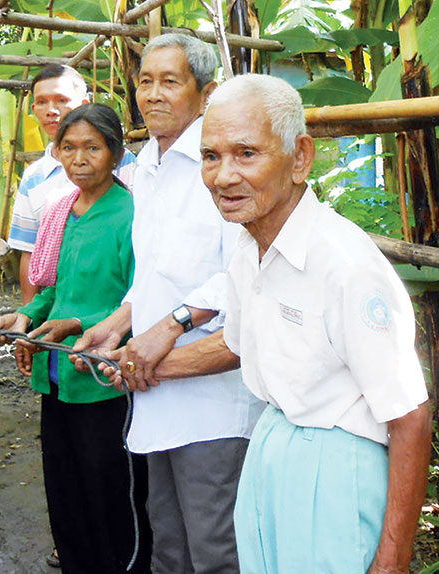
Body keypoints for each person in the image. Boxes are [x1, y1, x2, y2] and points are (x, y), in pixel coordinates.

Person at [106, 74, 432, 574]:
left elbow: (409, 416)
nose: (223, 176)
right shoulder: (249, 249)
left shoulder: (344, 265)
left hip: (336, 470)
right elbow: (239, 345)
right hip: (271, 454)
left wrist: (392, 560)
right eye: (211, 156)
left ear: (300, 157)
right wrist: (142, 366)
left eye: (246, 154)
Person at [71, 34, 264, 574]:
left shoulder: (223, 166)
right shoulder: (147, 169)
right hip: (156, 394)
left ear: (205, 94)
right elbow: (155, 277)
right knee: (168, 544)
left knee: (216, 550)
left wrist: (174, 325)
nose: (151, 95)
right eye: (145, 81)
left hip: (214, 404)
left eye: (169, 82)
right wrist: (113, 328)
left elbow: (246, 275)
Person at [0, 104, 151, 574]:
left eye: (93, 148)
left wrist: (76, 324)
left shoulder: (132, 215)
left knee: (111, 493)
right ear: (57, 152)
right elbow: (55, 289)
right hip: (57, 376)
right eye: (69, 147)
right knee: (65, 488)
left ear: (117, 154)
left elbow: (139, 300)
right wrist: (24, 315)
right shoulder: (63, 212)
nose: (79, 158)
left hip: (102, 378)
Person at [8, 65, 137, 305]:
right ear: (33, 108)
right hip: (56, 306)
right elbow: (30, 252)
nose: (51, 111)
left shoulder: (130, 172)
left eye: (61, 100)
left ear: (83, 103)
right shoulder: (35, 178)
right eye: (42, 102)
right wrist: (28, 318)